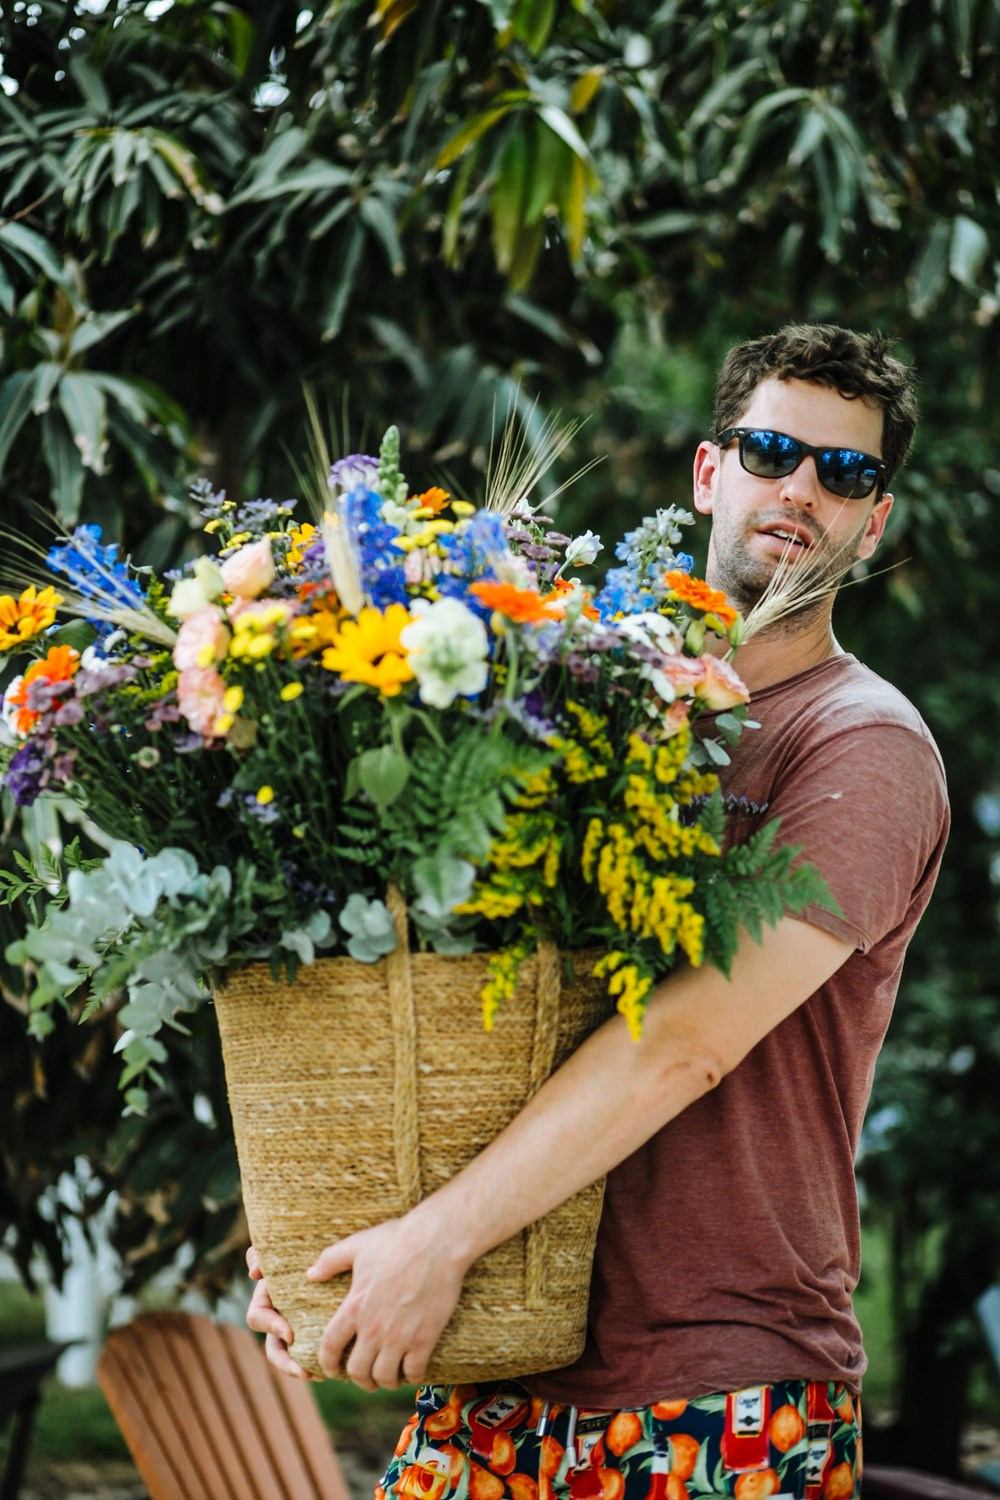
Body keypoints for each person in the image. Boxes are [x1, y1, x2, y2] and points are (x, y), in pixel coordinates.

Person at [247, 323, 950, 1499]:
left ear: (872, 522)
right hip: (498, 1354)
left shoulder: (863, 746)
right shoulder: (574, 704)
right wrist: (339, 1243)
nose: (801, 491)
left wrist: (432, 1242)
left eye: (846, 473)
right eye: (772, 450)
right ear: (707, 471)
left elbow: (688, 1042)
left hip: (715, 1388)